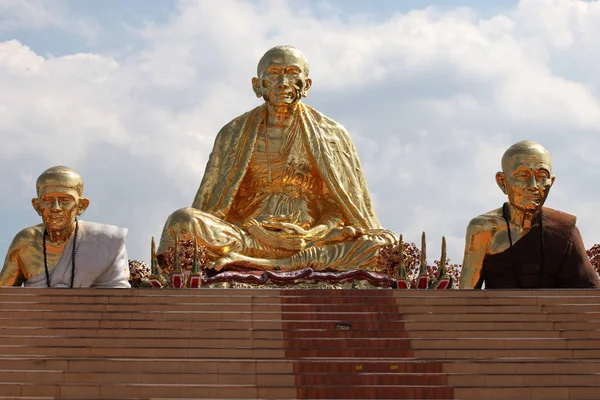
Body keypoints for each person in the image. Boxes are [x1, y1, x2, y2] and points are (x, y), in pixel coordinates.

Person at [157, 45, 396, 272]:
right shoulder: (233, 133)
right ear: (257, 85)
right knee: (183, 221)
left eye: (292, 74)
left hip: (311, 239)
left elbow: (339, 207)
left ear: (307, 84)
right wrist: (254, 229)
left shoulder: (331, 133)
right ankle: (278, 261)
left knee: (387, 246)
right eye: (273, 74)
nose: (283, 84)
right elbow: (218, 204)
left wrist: (312, 234)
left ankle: (270, 262)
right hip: (248, 236)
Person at [459, 140, 600, 289]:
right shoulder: (483, 229)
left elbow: (590, 294)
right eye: (521, 175)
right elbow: (466, 296)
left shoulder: (563, 229)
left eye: (541, 176)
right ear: (502, 182)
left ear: (551, 182)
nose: (533, 186)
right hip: (497, 311)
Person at [0, 166, 131, 288]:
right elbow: (4, 294)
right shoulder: (26, 242)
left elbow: (117, 296)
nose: (55, 208)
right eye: (47, 200)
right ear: (37, 206)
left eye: (65, 200)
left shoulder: (105, 242)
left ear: (81, 206)